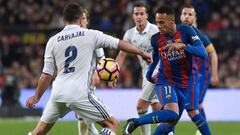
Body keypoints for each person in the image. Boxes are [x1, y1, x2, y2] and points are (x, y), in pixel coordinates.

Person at [26, 2, 152, 135]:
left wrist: (36, 97)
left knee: (38, 132)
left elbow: (46, 74)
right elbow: (120, 44)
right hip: (79, 93)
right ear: (81, 18)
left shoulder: (53, 41)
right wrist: (142, 53)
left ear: (64, 20)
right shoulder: (91, 35)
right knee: (113, 124)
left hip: (58, 93)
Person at [123, 5, 210, 135]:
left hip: (183, 84)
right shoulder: (156, 39)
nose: (159, 26)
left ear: (172, 22)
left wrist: (183, 46)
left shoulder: (186, 31)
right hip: (165, 81)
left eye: (162, 23)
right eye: (157, 22)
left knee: (170, 123)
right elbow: (155, 59)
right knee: (172, 113)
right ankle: (135, 122)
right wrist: (148, 75)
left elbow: (203, 53)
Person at [109, 2, 161, 135]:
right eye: (136, 14)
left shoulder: (156, 30)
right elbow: (122, 54)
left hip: (159, 74)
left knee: (141, 106)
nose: (139, 17)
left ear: (147, 15)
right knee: (156, 107)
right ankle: (168, 132)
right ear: (133, 16)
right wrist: (113, 74)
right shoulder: (130, 34)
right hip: (146, 74)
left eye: (141, 14)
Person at [180, 4, 218, 135]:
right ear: (180, 16)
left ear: (195, 18)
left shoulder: (200, 36)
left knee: (197, 104)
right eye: (184, 14)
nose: (186, 17)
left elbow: (213, 54)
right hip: (185, 74)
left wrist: (214, 75)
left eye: (190, 14)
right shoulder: (177, 33)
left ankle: (201, 131)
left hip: (201, 74)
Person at [75, 9, 103, 135]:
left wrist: (97, 73)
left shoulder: (93, 37)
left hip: (87, 82)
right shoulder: (71, 38)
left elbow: (101, 58)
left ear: (88, 21)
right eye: (79, 18)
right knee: (82, 115)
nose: (81, 21)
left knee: (83, 115)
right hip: (73, 81)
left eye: (84, 18)